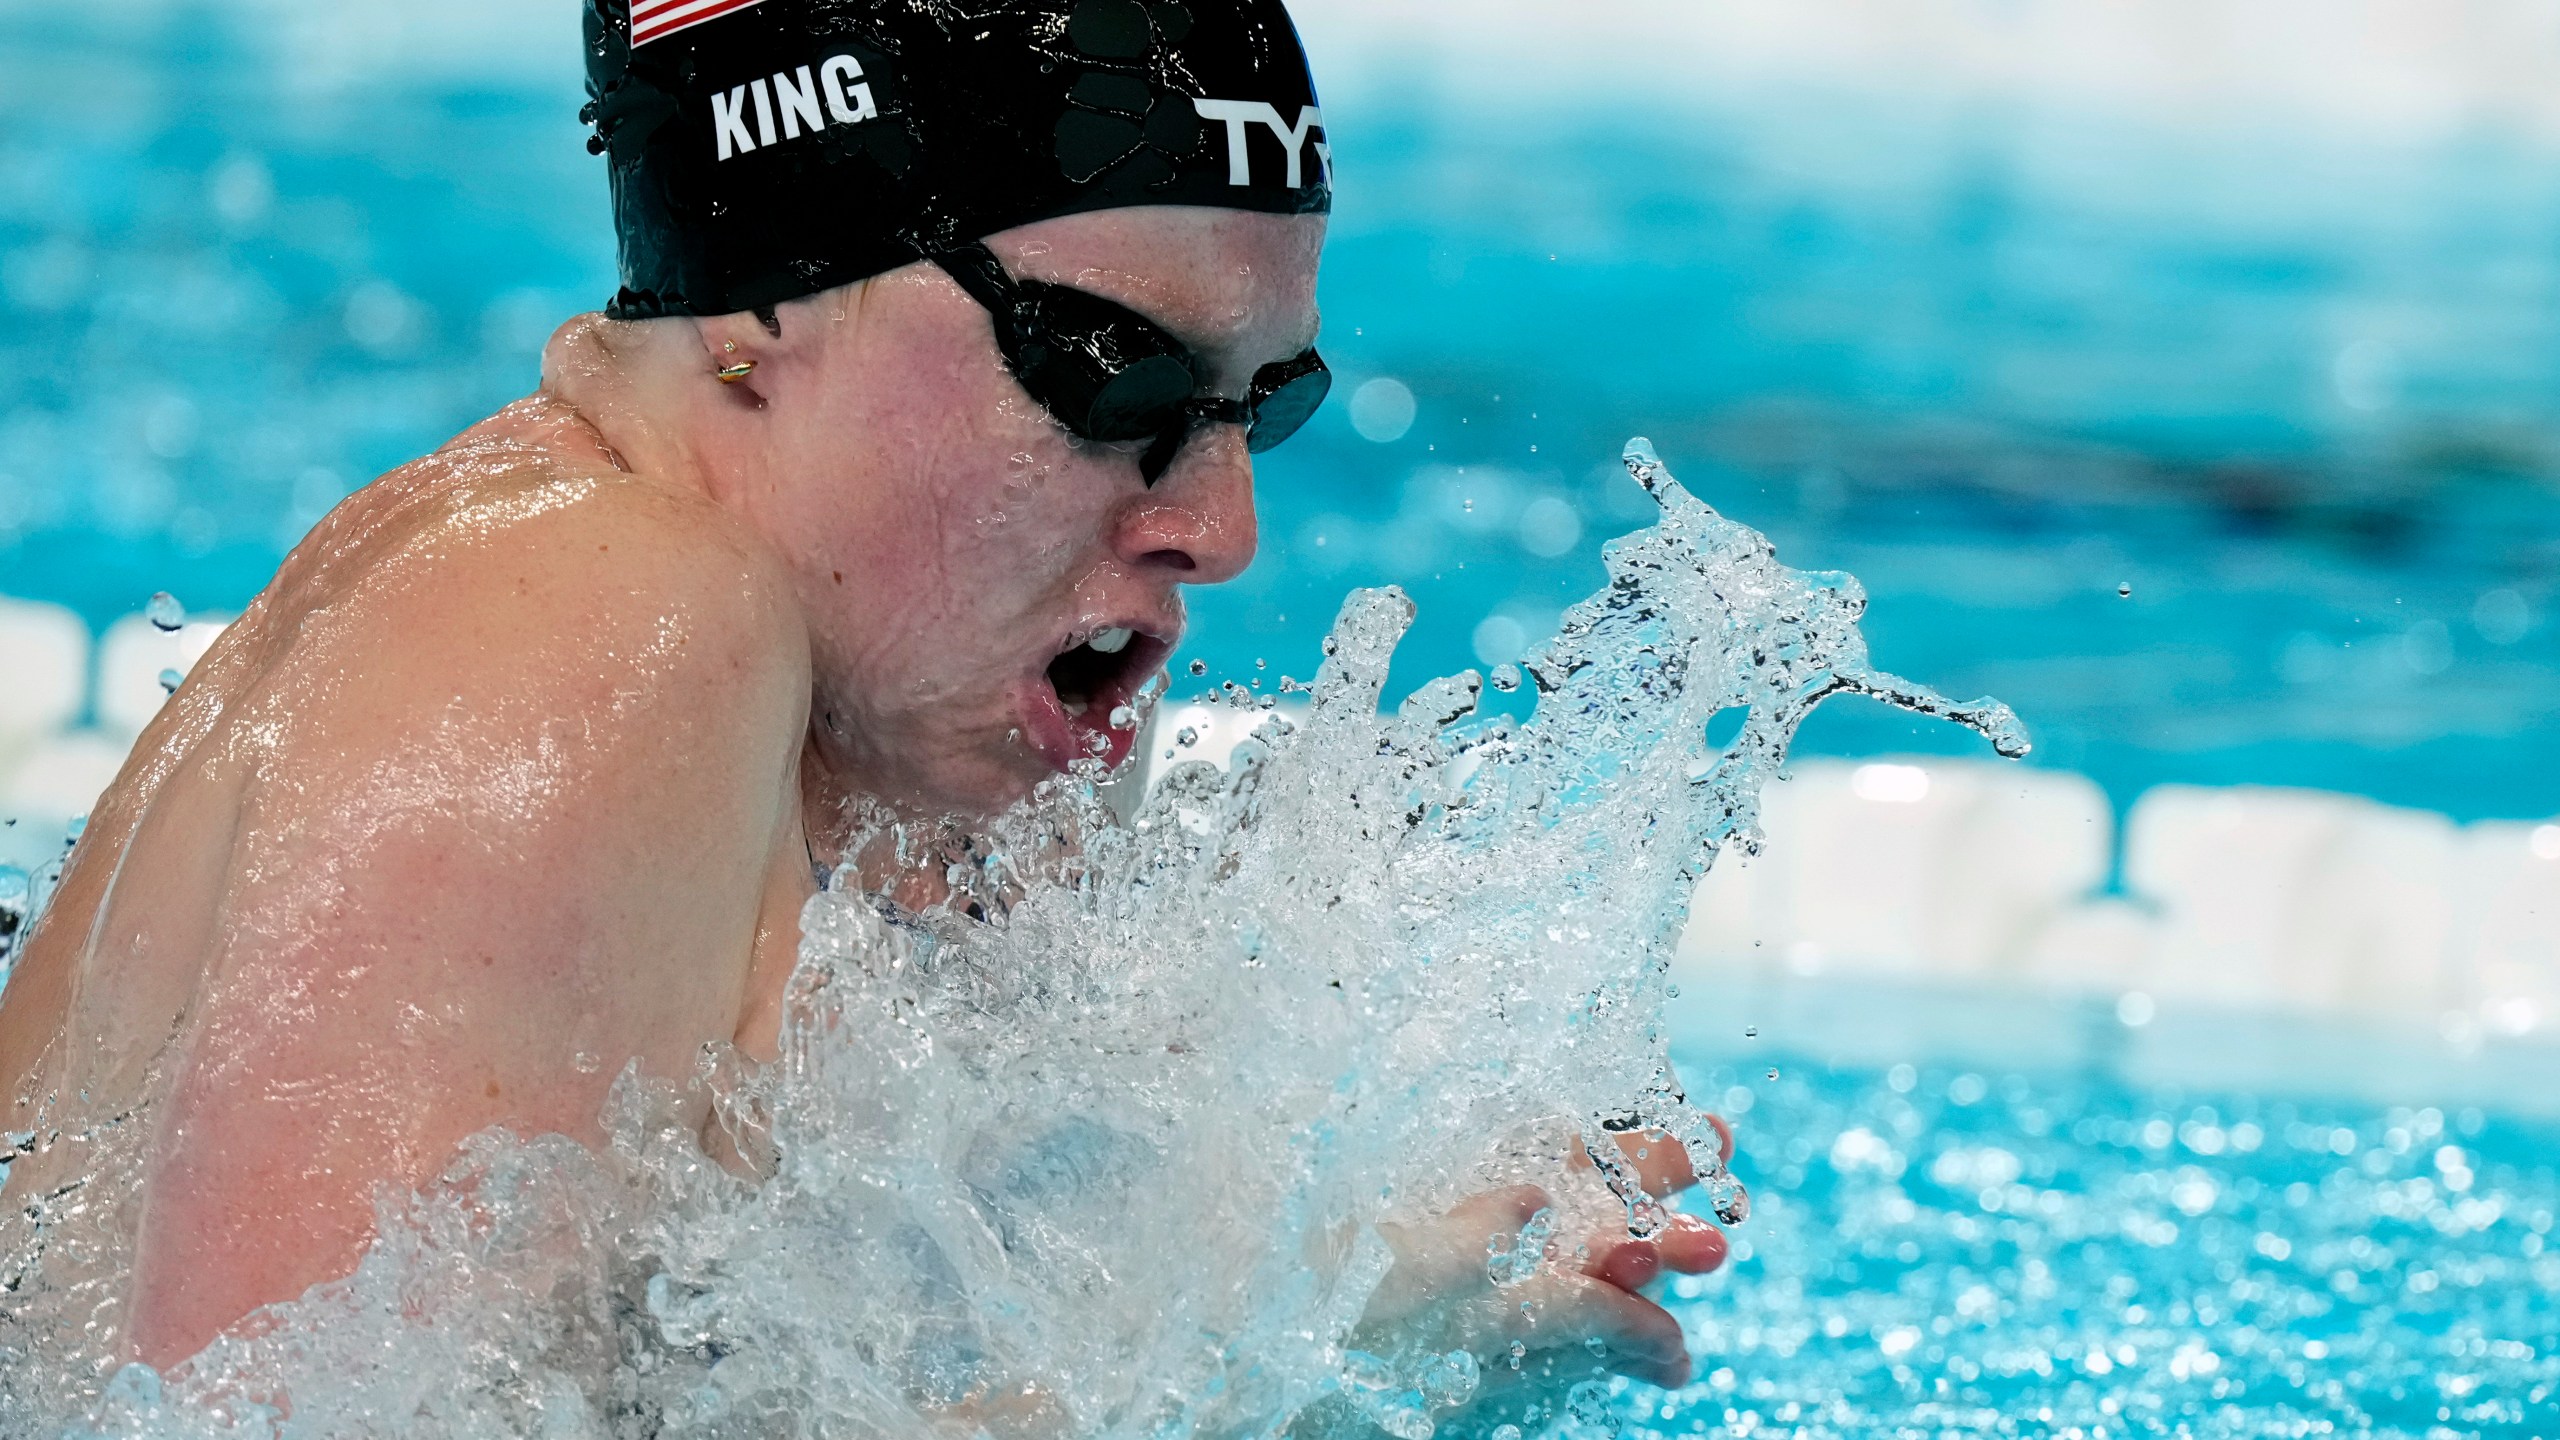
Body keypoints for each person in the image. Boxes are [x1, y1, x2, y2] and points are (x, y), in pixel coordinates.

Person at [0, 0, 1725, 1409]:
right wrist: (1307, 1344)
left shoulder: (936, 719)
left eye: (1256, 405)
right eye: (1103, 371)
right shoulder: (602, 618)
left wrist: (1401, 1270)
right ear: (762, 312)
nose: (1217, 528)